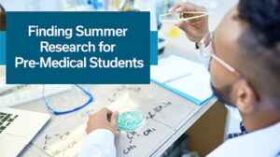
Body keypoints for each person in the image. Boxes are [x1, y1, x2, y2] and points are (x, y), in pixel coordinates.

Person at [80, 0, 280, 156]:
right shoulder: (267, 106)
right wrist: (205, 39)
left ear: (244, 96)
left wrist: (99, 140)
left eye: (215, 51)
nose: (210, 52)